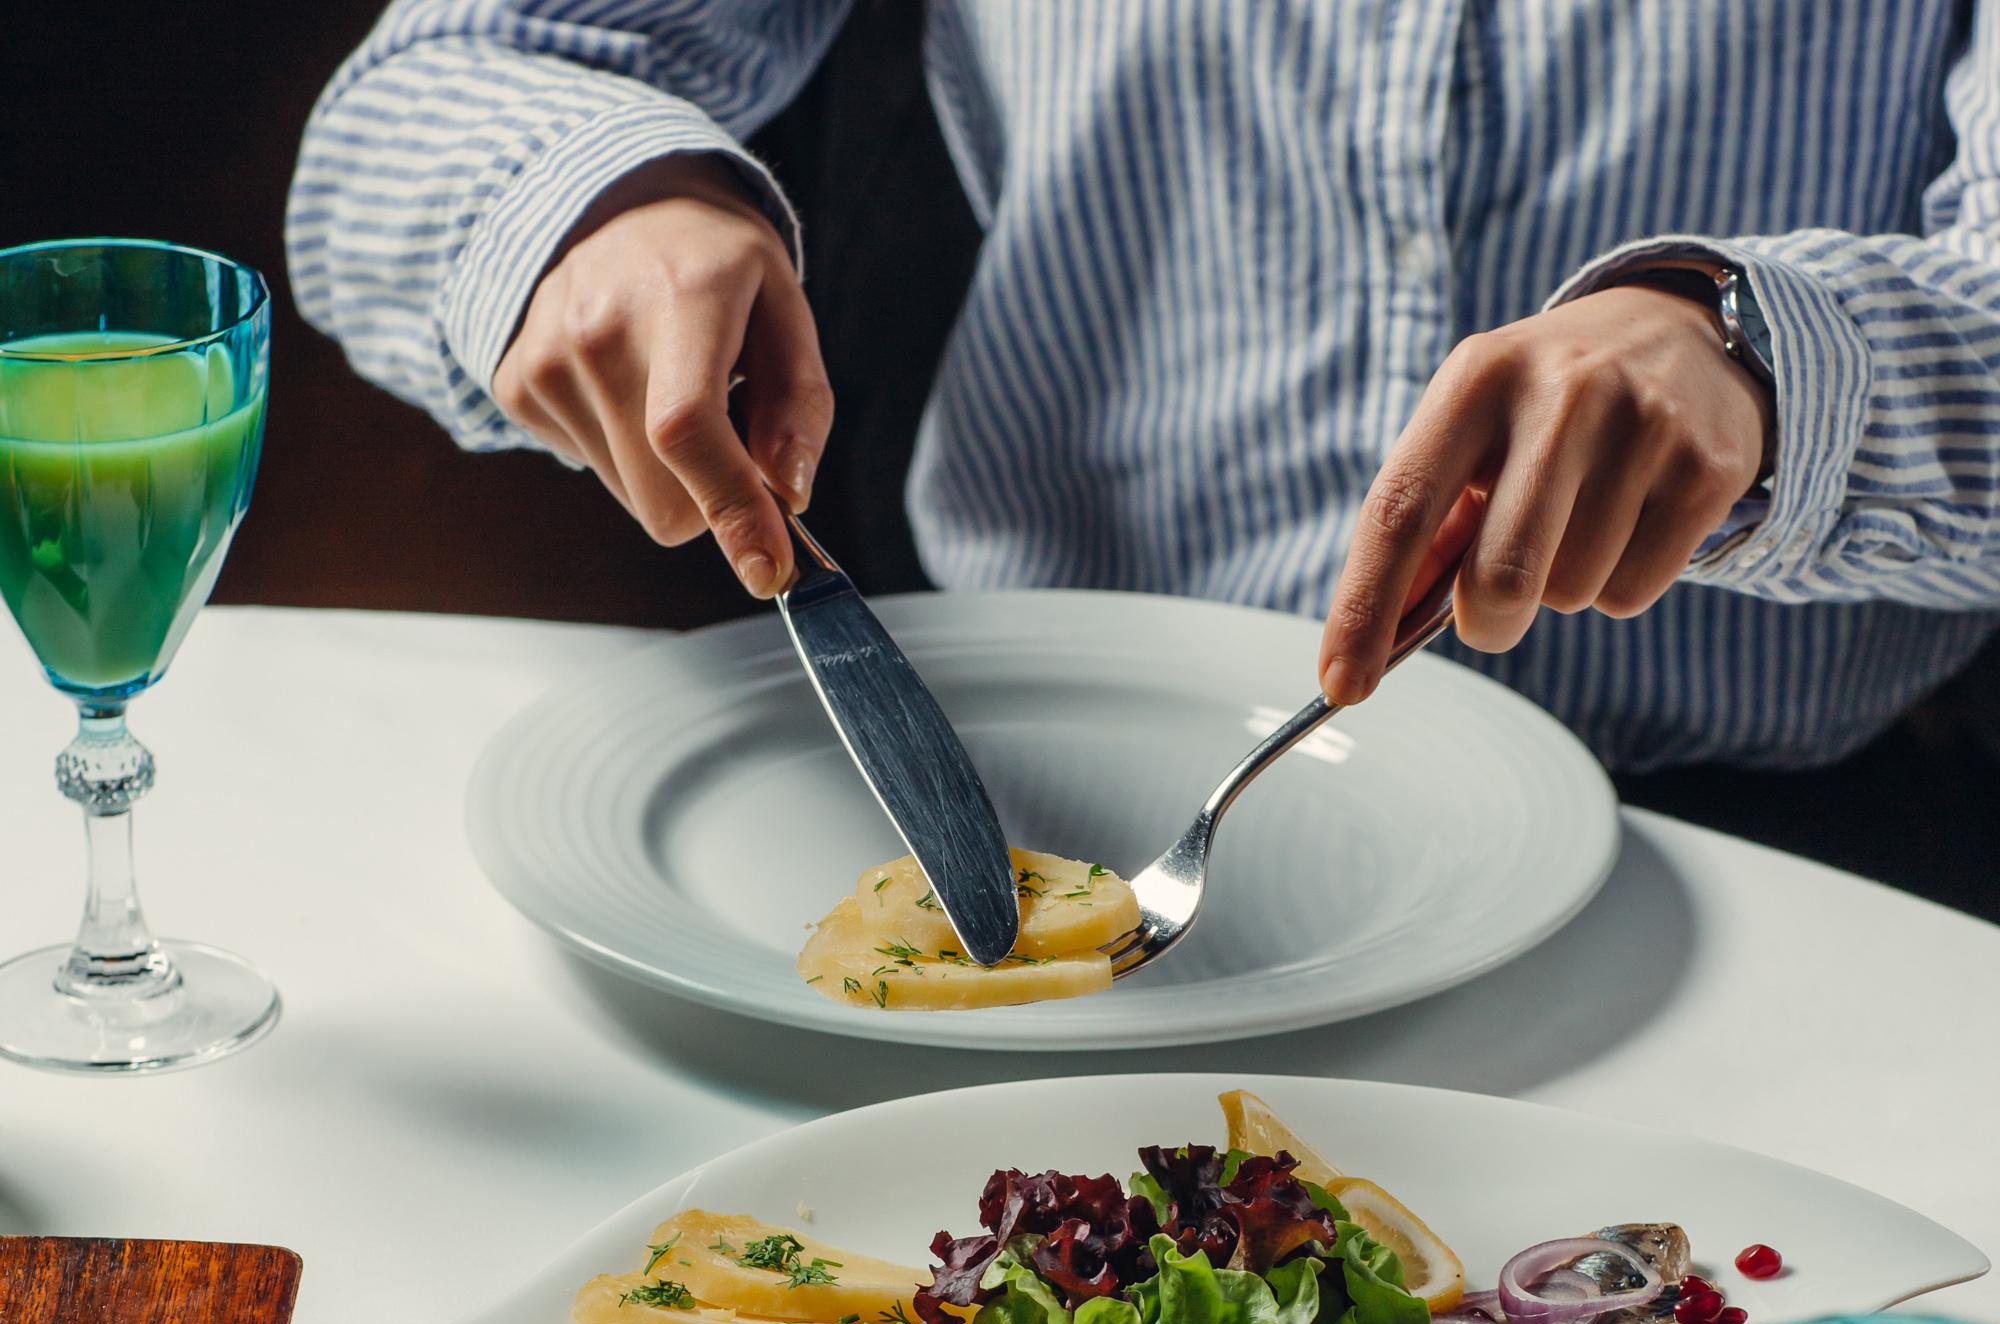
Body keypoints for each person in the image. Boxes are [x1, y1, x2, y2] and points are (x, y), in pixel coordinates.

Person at [290, 4, 2000, 908]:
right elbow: (437, 89)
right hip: (1040, 833)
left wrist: (1763, 355)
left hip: (1794, 862)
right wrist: (600, 206)